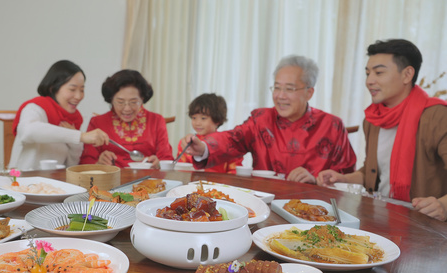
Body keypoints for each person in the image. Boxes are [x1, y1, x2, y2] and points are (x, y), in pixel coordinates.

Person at [317, 39, 447, 221]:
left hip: (425, 225)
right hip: (382, 216)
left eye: (379, 72)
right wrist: (342, 178)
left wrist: (443, 205)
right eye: (368, 73)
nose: (370, 81)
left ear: (407, 74)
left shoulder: (438, 116)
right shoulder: (374, 119)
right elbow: (373, 173)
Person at [181, 55, 356, 183]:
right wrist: (203, 147)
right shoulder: (261, 119)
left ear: (309, 92)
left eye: (289, 89)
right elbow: (233, 139)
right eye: (277, 88)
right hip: (265, 207)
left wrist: (316, 180)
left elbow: (344, 177)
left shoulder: (332, 125)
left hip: (314, 211)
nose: (280, 96)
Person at [9, 60, 109, 171]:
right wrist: (80, 136)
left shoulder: (74, 119)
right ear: (53, 88)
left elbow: (71, 166)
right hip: (21, 180)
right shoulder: (35, 108)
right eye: (72, 89)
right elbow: (28, 131)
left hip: (54, 183)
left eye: (82, 90)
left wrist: (75, 143)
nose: (78, 96)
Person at [79, 69, 174, 168]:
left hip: (149, 181)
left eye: (133, 102)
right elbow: (85, 162)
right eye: (120, 102)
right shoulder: (97, 123)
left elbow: (167, 159)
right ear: (111, 99)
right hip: (111, 181)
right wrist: (98, 163)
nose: (127, 108)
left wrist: (159, 164)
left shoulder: (156, 120)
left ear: (142, 99)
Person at [176, 93, 242, 174]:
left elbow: (235, 172)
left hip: (220, 185)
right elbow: (180, 169)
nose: (197, 123)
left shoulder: (229, 144)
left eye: (203, 118)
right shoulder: (186, 142)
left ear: (217, 120)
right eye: (194, 118)